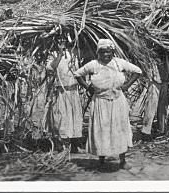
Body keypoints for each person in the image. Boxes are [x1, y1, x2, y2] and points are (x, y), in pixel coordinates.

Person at [73, 39, 142, 170]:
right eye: (103, 52)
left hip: (118, 102)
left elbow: (138, 71)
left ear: (113, 52)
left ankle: (123, 161)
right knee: (101, 130)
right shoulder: (94, 65)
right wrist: (88, 87)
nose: (106, 55)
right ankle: (101, 159)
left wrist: (127, 85)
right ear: (98, 52)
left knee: (120, 130)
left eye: (109, 52)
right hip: (100, 103)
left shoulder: (119, 63)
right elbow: (77, 74)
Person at [49, 48, 84, 152]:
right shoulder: (52, 53)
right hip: (61, 92)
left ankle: (74, 145)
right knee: (61, 117)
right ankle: (62, 145)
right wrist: (59, 54)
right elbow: (51, 68)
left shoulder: (75, 51)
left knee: (75, 118)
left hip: (73, 91)